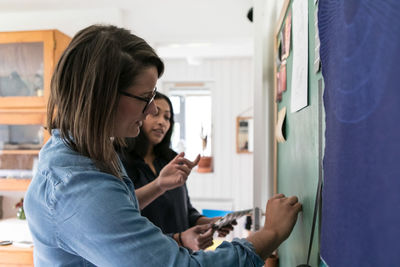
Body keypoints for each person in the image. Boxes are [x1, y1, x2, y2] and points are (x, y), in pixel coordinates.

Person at [24, 24, 302, 266]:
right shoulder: (80, 189)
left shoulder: (89, 150)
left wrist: (177, 237)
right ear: (105, 96)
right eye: (146, 99)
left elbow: (118, 235)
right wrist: (271, 234)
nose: (150, 113)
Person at [117, 92, 234, 251]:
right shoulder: (118, 161)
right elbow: (121, 217)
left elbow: (186, 211)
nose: (162, 123)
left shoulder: (171, 160)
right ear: (140, 115)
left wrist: (208, 222)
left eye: (167, 117)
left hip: (181, 256)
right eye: (156, 114)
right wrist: (179, 239)